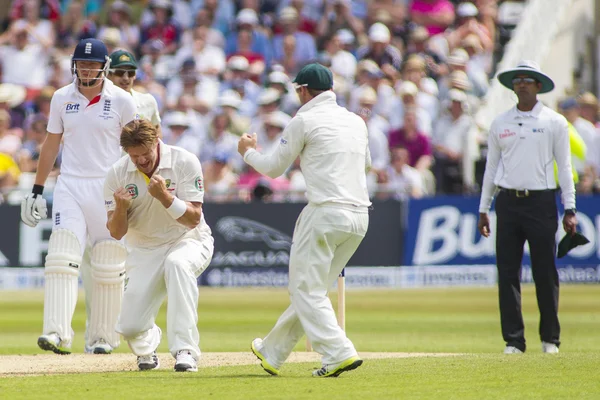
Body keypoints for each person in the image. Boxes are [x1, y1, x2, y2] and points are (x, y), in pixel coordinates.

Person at [238, 63, 369, 378]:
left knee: (305, 291)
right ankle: (272, 351)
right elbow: (365, 165)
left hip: (325, 211)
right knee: (314, 291)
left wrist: (247, 152)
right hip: (360, 216)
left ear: (302, 90)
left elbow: (272, 168)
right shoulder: (356, 121)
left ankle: (339, 352)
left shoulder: (303, 120)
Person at [20, 38, 137, 355]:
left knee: (109, 265)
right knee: (61, 258)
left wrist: (138, 189)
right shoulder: (61, 97)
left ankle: (103, 338)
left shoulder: (122, 101)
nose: (86, 69)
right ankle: (56, 333)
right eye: (82, 63)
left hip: (108, 187)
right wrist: (36, 189)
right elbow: (51, 144)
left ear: (104, 67)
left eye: (93, 64)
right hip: (70, 185)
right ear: (74, 65)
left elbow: (137, 146)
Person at [477, 61, 578, 355]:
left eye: (528, 80)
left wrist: (569, 208)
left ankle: (550, 339)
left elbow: (565, 166)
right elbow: (491, 168)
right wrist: (484, 207)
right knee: (507, 273)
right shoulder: (500, 123)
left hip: (541, 202)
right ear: (513, 86)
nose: (522, 84)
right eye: (518, 80)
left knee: (544, 272)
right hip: (508, 203)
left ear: (538, 86)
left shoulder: (554, 121)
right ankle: (514, 340)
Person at [104, 119, 214, 372]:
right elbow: (116, 232)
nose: (141, 161)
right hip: (144, 249)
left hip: (188, 240)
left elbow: (193, 219)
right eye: (134, 156)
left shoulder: (184, 161)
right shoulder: (117, 173)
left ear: (156, 142)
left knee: (177, 264)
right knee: (130, 327)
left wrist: (166, 197)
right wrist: (120, 208)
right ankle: (148, 344)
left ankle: (185, 350)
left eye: (145, 154)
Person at [107, 49, 161, 132]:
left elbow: (157, 134)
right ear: (108, 74)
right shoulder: (99, 102)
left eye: (130, 73)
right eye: (120, 72)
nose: (126, 78)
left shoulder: (148, 101)